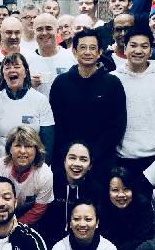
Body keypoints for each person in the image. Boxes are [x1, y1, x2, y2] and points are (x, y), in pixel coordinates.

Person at [49, 28, 127, 190]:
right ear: (75, 51)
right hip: (68, 161)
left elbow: (117, 126)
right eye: (83, 48)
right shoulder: (61, 83)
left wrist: (92, 156)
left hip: (101, 161)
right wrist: (71, 156)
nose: (87, 52)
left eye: (92, 48)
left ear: (99, 52)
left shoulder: (113, 83)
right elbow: (56, 123)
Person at [114, 25, 155, 178]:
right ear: (125, 49)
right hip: (121, 157)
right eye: (133, 45)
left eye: (144, 46)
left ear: (151, 51)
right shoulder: (113, 79)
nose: (138, 51)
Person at [0, 53, 54, 166]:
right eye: (7, 67)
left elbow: (48, 142)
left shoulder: (40, 100)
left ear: (25, 72)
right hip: (1, 166)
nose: (12, 70)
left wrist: (38, 169)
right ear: (3, 74)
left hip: (32, 168)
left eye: (17, 66)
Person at [0, 125, 54, 226]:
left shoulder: (45, 174)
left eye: (28, 146)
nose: (23, 151)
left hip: (28, 219)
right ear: (9, 149)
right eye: (18, 145)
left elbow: (38, 209)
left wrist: (14, 227)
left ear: (37, 150)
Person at [99, 168, 154, 250]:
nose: (121, 195)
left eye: (126, 189)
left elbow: (142, 240)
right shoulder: (101, 207)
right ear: (108, 191)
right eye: (115, 190)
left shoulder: (142, 205)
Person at [26, 13, 76, 98]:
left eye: (49, 28)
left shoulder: (71, 57)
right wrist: (27, 85)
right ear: (34, 33)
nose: (44, 33)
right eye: (39, 29)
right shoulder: (26, 61)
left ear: (57, 31)